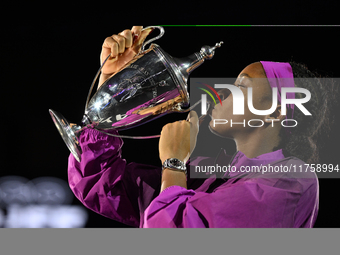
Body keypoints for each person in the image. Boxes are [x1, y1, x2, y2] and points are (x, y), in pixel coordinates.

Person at [67, 26, 336, 228]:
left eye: (241, 86)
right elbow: (102, 185)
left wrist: (173, 163)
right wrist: (113, 92)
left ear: (275, 112)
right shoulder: (209, 174)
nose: (222, 91)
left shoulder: (291, 180)